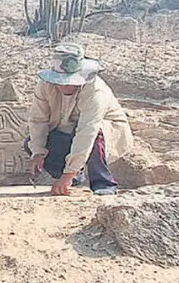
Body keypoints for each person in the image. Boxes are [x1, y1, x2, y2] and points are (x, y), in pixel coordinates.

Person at [24, 43, 133, 196]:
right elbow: (38, 119)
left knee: (96, 133)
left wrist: (68, 174)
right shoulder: (45, 86)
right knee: (33, 143)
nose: (67, 85)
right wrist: (38, 153)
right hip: (66, 131)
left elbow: (87, 130)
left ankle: (102, 182)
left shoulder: (95, 90)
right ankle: (75, 177)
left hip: (104, 132)